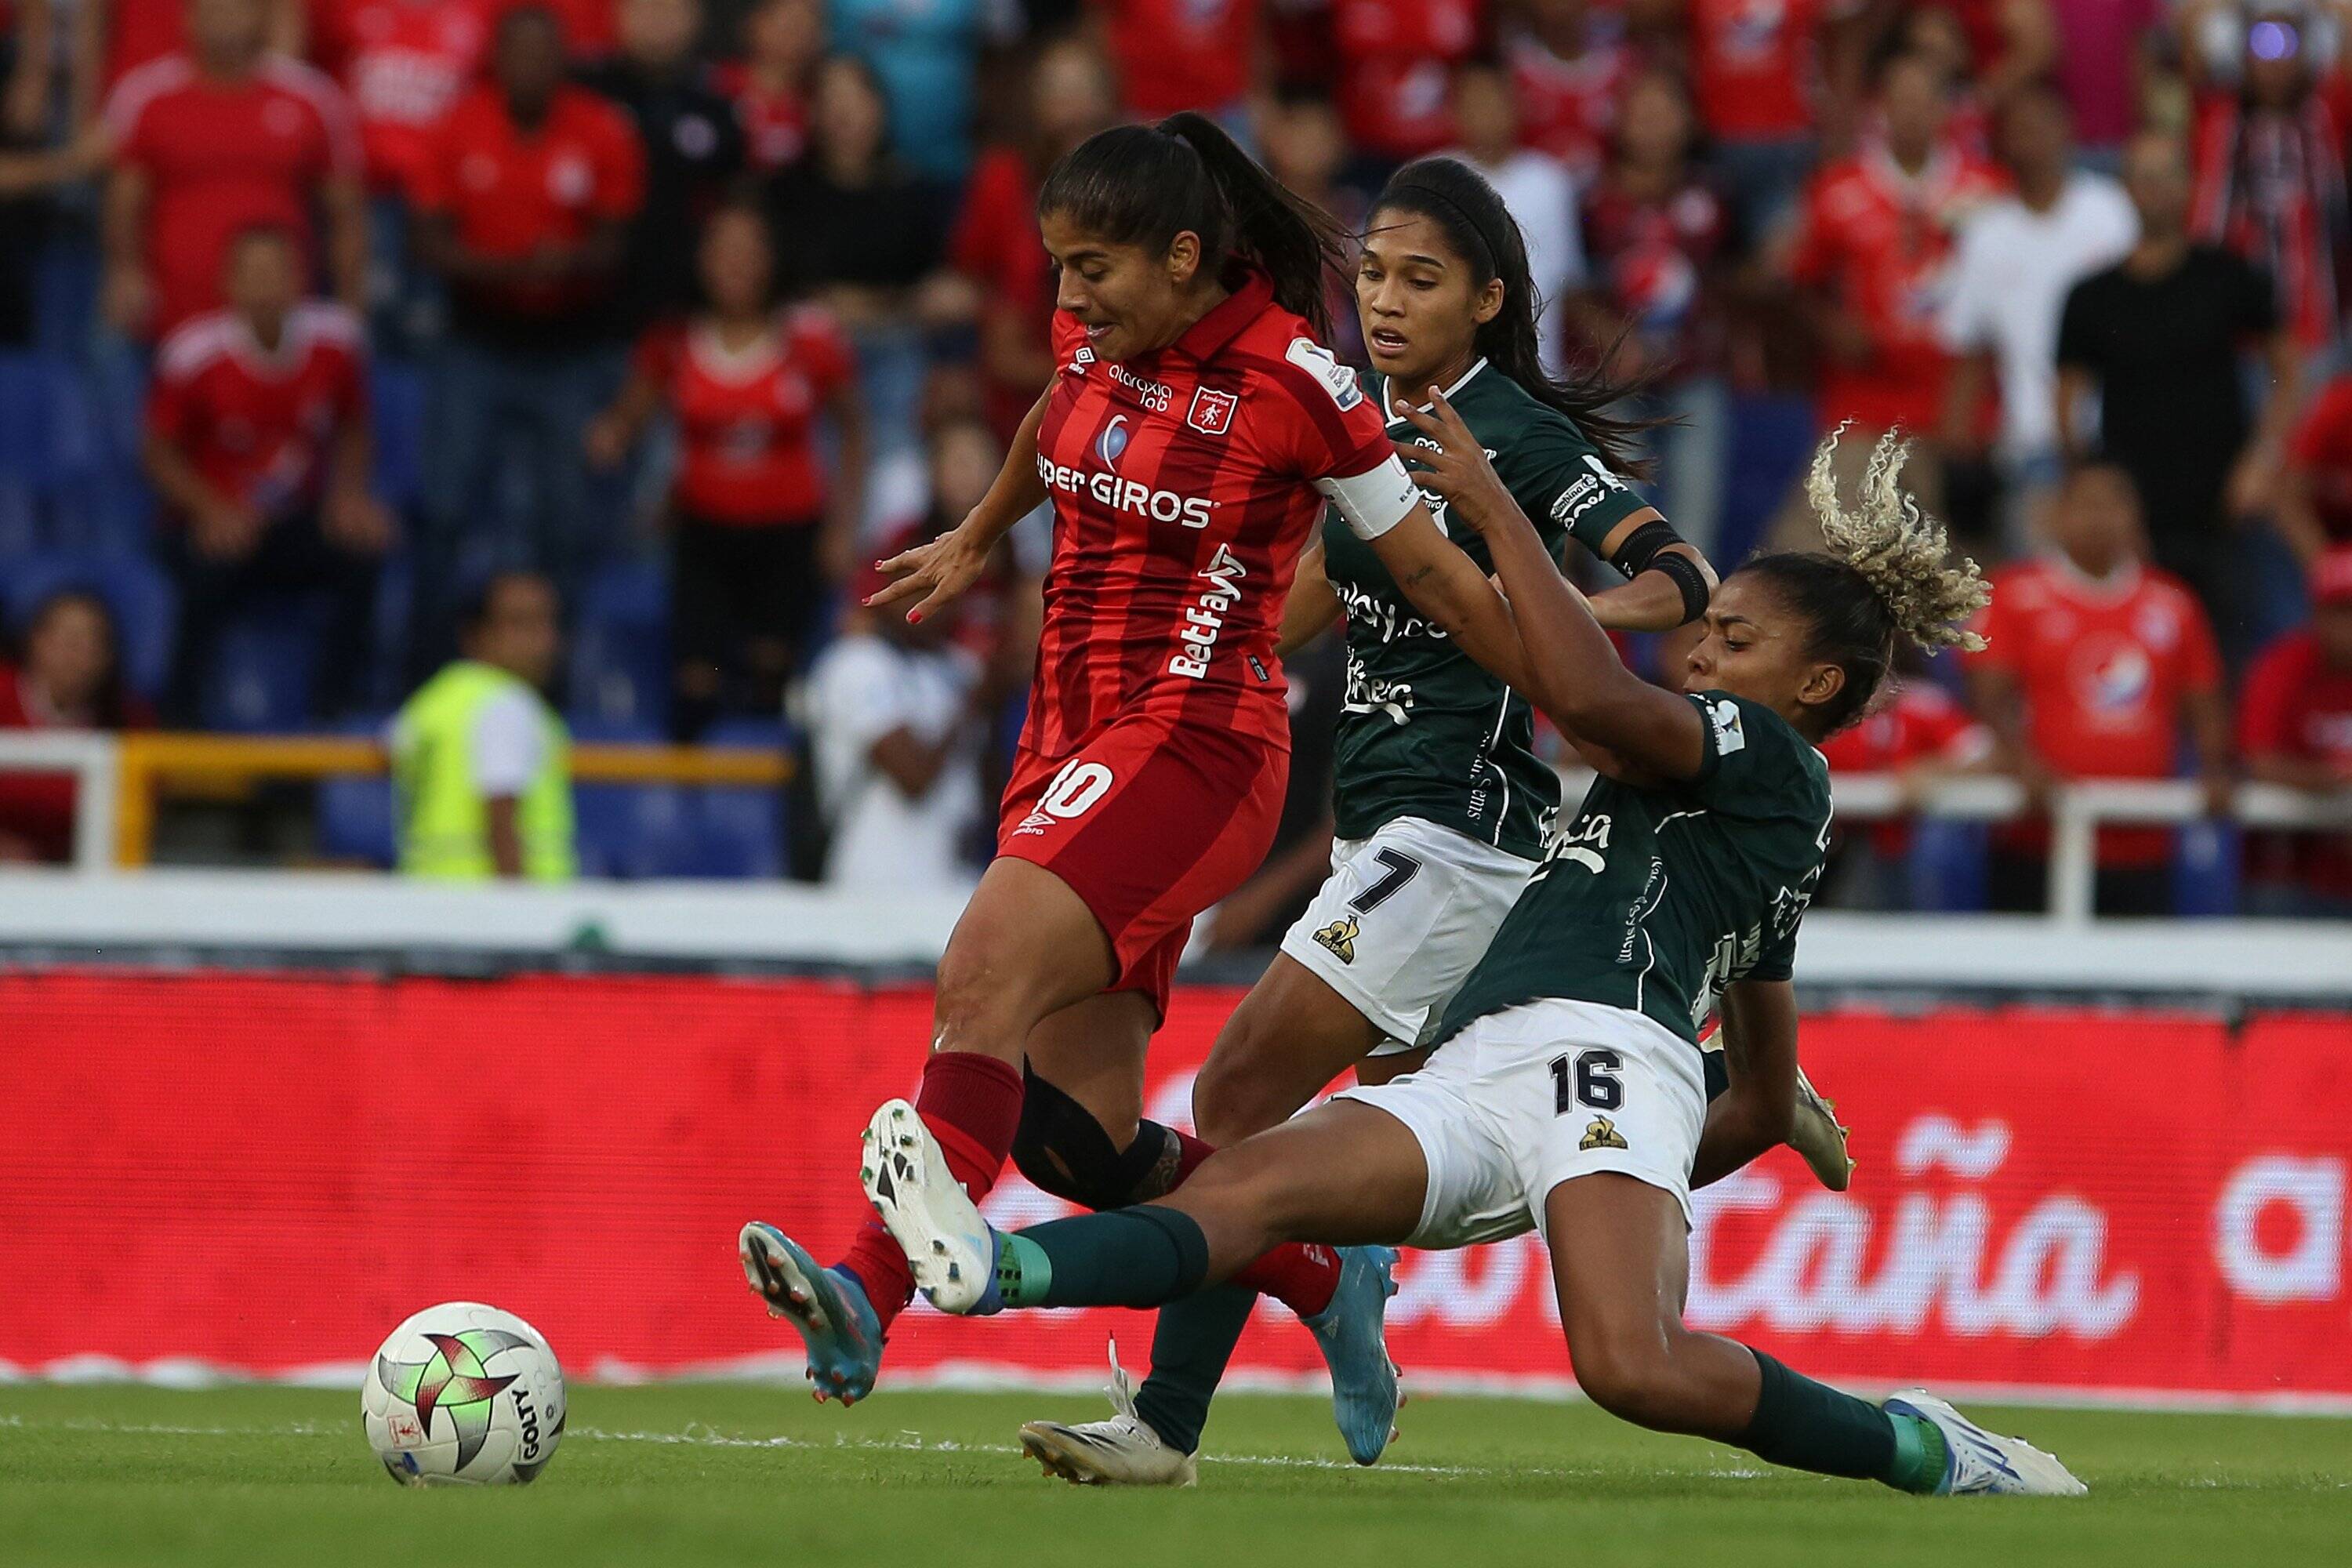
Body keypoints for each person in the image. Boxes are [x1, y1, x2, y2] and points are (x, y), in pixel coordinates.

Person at [855, 422, 2086, 1500]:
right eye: (1708, 633)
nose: (1703, 653)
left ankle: (1918, 1447)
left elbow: (1593, 698)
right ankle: (988, 1267)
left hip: (1614, 1061)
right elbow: (1764, 1083)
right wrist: (1691, 1150)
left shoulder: (1773, 759)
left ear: (1814, 684)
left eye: (1734, 638)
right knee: (1235, 1191)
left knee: (1629, 1366)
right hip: (1487, 1063)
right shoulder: (1741, 816)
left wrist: (1495, 513)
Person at [1011, 156, 1832, 1484]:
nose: (1383, 301)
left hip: (1463, 832)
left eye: (1420, 280)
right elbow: (1315, 607)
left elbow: (1680, 577)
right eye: (1373, 275)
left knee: (1237, 1091)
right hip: (1382, 834)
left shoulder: (1508, 432)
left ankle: (1166, 1426)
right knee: (1373, 1140)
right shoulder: (1352, 425)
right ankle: (1350, 1291)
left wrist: (1544, 627)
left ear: (1489, 299)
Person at [736, 115, 1549, 1450]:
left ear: (1184, 259)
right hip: (1062, 743)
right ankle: (1316, 1273)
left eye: (1093, 270)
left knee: (980, 971)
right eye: (1057, 269)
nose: (1067, 300)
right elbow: (1053, 425)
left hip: (1198, 744)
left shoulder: (1304, 384)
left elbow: (1435, 576)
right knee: (1075, 1142)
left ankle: (864, 1296)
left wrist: (1582, 693)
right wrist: (985, 528)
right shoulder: (1091, 347)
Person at [408, 3, 644, 669]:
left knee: (564, 528)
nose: (531, 67)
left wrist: (558, 267)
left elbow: (615, 243)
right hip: (474, 343)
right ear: (496, 61)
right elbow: (426, 242)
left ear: (563, 60)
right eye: (519, 53)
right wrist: (513, 269)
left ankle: (552, 685)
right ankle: (427, 673)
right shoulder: (456, 127)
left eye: (545, 54)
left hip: (567, 348)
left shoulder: (600, 129)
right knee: (445, 513)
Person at [586, 204, 866, 739]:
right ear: (701, 260)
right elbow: (628, 418)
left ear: (771, 260)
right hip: (703, 537)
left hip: (788, 536)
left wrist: (843, 529)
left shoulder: (810, 338)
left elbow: (854, 432)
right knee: (696, 682)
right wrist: (611, 436)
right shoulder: (672, 341)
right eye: (723, 250)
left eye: (749, 251)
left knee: (771, 679)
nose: (736, 264)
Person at [2055, 129, 2301, 637]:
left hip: (2228, 504)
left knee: (2244, 642)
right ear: (2125, 188)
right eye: (2143, 178)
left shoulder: (2228, 275)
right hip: (2136, 517)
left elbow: (2288, 371)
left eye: (2167, 176)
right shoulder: (2093, 296)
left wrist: (2263, 461)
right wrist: (2097, 494)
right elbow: (2067, 399)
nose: (2156, 189)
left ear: (2190, 185)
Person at [143, 225, 390, 725]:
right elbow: (156, 452)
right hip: (214, 519)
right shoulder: (192, 352)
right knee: (206, 572)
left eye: (276, 272)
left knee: (365, 552)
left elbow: (354, 426)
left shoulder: (337, 341)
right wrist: (211, 510)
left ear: (300, 278)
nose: (264, 285)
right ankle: (179, 732)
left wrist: (348, 493)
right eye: (251, 273)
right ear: (227, 284)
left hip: (296, 520)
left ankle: (334, 716)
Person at [1965, 461, 2233, 915]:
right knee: (2027, 978)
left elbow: (2204, 700)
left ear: (2137, 517)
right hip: (2037, 835)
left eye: (2114, 504)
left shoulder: (2174, 602)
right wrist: (2019, 760)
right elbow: (1987, 695)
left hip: (2144, 838)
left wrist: (2214, 766)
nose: (2100, 517)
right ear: (2058, 514)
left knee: (2136, 978)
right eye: (2087, 503)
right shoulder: (2015, 593)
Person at [1774, 49, 2005, 552]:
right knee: (1815, 562)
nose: (1912, 114)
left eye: (1925, 101)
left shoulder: (1989, 191)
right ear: (1877, 110)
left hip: (1964, 416)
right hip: (1863, 411)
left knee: (1963, 581)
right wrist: (1831, 325)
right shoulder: (1837, 189)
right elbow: (1798, 285)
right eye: (1899, 101)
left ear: (1947, 110)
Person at [1938, 82, 2136, 546]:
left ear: (2068, 130)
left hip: (2117, 436)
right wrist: (1957, 454)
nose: (2032, 139)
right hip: (2032, 444)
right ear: (2004, 141)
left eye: (2042, 125)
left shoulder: (2111, 213)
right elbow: (1969, 351)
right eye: (2019, 129)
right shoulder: (1987, 235)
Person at [100, 0, 365, 341]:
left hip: (281, 320)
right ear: (188, 18)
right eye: (212, 10)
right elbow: (124, 201)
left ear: (262, 17)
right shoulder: (147, 95)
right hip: (172, 311)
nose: (225, 20)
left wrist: (350, 306)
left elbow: (345, 212)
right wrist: (125, 272)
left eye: (237, 8)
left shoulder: (311, 98)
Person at [1574, 65, 1737, 556]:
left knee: (1694, 531)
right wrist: (1614, 341)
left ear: (1689, 121)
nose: (1653, 124)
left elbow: (1737, 276)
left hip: (1695, 374)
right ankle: (1619, 630)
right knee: (1615, 538)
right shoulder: (1591, 199)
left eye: (1665, 111)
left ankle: (1685, 628)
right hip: (1612, 380)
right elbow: (1570, 286)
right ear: (1619, 121)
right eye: (1641, 112)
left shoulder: (1714, 194)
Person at [804, 521, 998, 895]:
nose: (930, 595)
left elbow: (991, 790)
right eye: (915, 582)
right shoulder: (855, 663)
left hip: (953, 882)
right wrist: (975, 706)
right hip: (875, 882)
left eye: (940, 581)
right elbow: (914, 778)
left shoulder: (958, 668)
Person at [949, 35, 1119, 446]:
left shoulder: (1141, 188)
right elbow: (969, 278)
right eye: (1059, 94)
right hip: (1019, 404)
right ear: (1035, 105)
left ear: (1109, 102)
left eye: (1084, 93)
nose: (1073, 111)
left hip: (1121, 399)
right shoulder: (1002, 179)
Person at [2181, 0, 2351, 358]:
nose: (2274, 62)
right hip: (2239, 336)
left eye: (2287, 43)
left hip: (2319, 324)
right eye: (2261, 43)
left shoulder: (2326, 112)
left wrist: (2317, 17)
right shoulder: (2216, 116)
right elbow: (2191, 27)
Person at [390, 570, 574, 881]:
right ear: (475, 635)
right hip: (488, 910)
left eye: (547, 622)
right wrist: (519, 911)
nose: (543, 641)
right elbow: (501, 819)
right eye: (521, 623)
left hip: (426, 896)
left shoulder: (434, 701)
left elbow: (394, 746)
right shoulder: (508, 705)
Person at [579, 0, 746, 336]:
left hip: (685, 312)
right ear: (619, 15)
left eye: (670, 8)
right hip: (584, 309)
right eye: (644, 8)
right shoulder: (582, 95)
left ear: (696, 18)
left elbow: (734, 204)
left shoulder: (718, 108)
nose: (656, 19)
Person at [1443, 59, 1584, 379]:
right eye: (1474, 102)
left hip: (1537, 367)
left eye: (1494, 100)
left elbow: (1566, 280)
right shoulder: (1432, 177)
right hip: (1452, 369)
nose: (1485, 112)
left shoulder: (1550, 181)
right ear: (1455, 109)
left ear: (1517, 105)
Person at [2236, 543, 2352, 915]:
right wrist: (2332, 778)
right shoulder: (2282, 665)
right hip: (2286, 869)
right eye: (2341, 611)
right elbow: (2257, 762)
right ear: (2316, 613)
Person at [0, 590, 153, 865]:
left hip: (73, 882)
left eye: (89, 642)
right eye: (65, 638)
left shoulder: (129, 723)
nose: (74, 653)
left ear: (108, 656)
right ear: (34, 640)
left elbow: (128, 826)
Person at [717, 0, 822, 172]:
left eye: (805, 23)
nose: (795, 30)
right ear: (754, 22)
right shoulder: (719, 82)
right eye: (786, 20)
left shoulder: (817, 100)